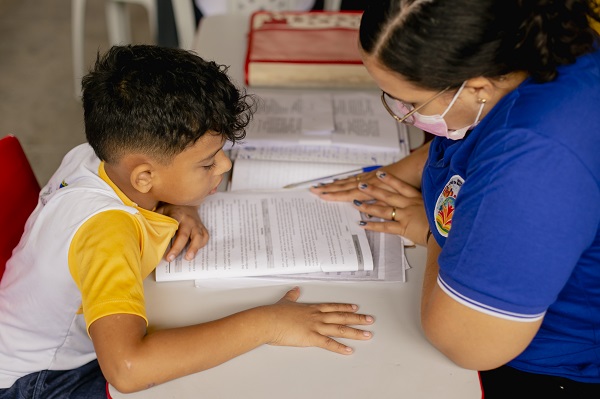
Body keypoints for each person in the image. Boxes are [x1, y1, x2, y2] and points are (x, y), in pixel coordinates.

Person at [0, 45, 374, 398]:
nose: (225, 166)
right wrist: (269, 323)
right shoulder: (107, 234)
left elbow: (142, 180)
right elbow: (128, 368)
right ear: (145, 177)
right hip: (40, 381)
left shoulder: (95, 155)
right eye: (208, 163)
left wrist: (183, 202)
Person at [311, 0, 600, 396]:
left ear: (478, 85)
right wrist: (400, 171)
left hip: (552, 369)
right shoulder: (544, 50)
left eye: (411, 104)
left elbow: (468, 344)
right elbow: (467, 134)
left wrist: (434, 231)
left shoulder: (535, 159)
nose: (404, 114)